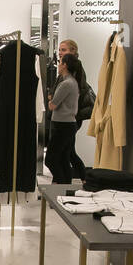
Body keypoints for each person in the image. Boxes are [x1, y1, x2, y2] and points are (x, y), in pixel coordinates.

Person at [45, 53, 81, 185]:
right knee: (63, 158)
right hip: (67, 125)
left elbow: (53, 105)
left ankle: (60, 183)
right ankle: (65, 187)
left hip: (62, 125)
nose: (58, 65)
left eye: (60, 62)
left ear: (65, 65)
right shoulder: (73, 82)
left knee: (51, 159)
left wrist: (50, 100)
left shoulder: (66, 84)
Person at [57, 38, 87, 181]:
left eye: (63, 50)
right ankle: (66, 180)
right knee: (67, 151)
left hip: (71, 117)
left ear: (73, 51)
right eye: (59, 50)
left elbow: (77, 93)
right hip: (67, 116)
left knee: (67, 151)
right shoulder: (64, 67)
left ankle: (81, 178)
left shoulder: (76, 68)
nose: (60, 53)